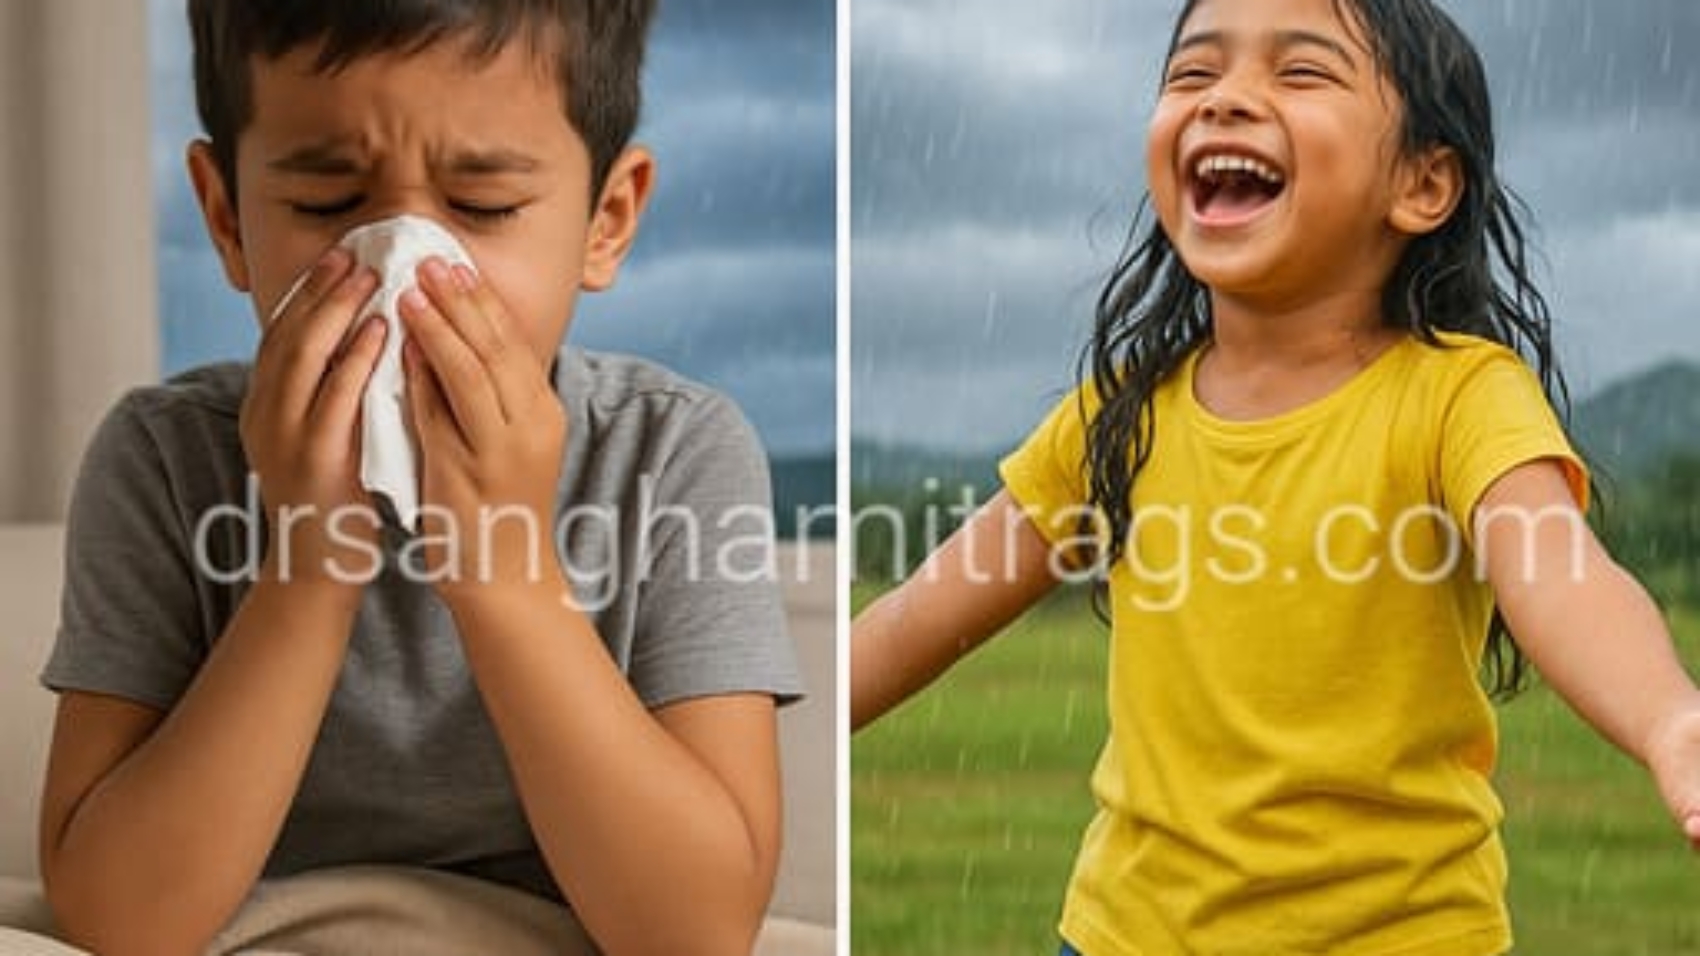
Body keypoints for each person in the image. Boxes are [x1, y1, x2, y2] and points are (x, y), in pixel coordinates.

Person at [851, 0, 1700, 953]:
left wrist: (1672, 722)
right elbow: (923, 614)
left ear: (1423, 184)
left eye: (1300, 74)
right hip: (1125, 935)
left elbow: (1561, 577)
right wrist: (768, 721)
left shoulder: (1458, 397)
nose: (1225, 101)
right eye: (1192, 75)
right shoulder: (1122, 414)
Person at [32, 2, 802, 955]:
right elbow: (119, 916)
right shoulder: (162, 458)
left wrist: (504, 573)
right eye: (325, 205)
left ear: (607, 220)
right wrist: (313, 561)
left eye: (482, 208)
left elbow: (694, 929)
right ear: (227, 218)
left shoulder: (674, 452)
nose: (402, 272)